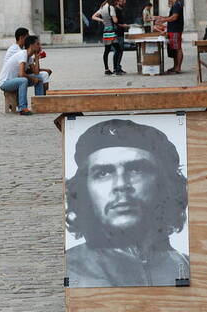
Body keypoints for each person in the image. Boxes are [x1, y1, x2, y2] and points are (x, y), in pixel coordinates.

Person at [65, 119, 189, 288]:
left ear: (165, 184)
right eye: (103, 173)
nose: (121, 185)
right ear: (84, 189)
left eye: (136, 169)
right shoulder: (68, 268)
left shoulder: (188, 267)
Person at [0, 35, 45, 116]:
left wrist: (36, 59)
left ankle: (39, 105)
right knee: (24, 80)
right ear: (31, 45)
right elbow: (21, 74)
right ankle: (22, 108)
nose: (40, 46)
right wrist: (33, 79)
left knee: (39, 78)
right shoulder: (23, 54)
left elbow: (36, 73)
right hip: (5, 83)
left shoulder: (29, 57)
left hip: (16, 81)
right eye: (38, 44)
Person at [2, 27, 52, 92]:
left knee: (42, 76)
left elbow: (33, 70)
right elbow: (22, 72)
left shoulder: (24, 50)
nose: (28, 39)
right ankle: (37, 99)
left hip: (22, 72)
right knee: (42, 75)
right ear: (21, 38)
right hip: (13, 76)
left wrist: (37, 57)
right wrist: (33, 78)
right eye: (27, 37)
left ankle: (41, 98)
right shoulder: (16, 50)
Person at [154, 0, 184, 74]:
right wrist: (161, 18)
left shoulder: (177, 4)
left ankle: (178, 67)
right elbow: (171, 17)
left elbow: (174, 17)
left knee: (177, 48)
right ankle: (175, 66)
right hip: (173, 29)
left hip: (175, 30)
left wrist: (163, 20)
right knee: (174, 49)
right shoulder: (175, 5)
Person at [92, 0, 119, 75]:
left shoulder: (103, 7)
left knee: (107, 51)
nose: (116, 2)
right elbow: (115, 21)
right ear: (113, 0)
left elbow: (93, 16)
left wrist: (102, 20)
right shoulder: (111, 7)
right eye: (116, 0)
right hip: (112, 32)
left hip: (106, 32)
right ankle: (115, 68)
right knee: (118, 49)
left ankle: (106, 69)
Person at [113, 0, 131, 75]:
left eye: (124, 0)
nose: (125, 2)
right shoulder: (116, 10)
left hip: (121, 33)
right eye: (123, 1)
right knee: (118, 51)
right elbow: (115, 23)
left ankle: (118, 67)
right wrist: (124, 25)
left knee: (120, 51)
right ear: (118, 2)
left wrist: (124, 25)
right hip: (117, 33)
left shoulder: (120, 10)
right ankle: (116, 68)